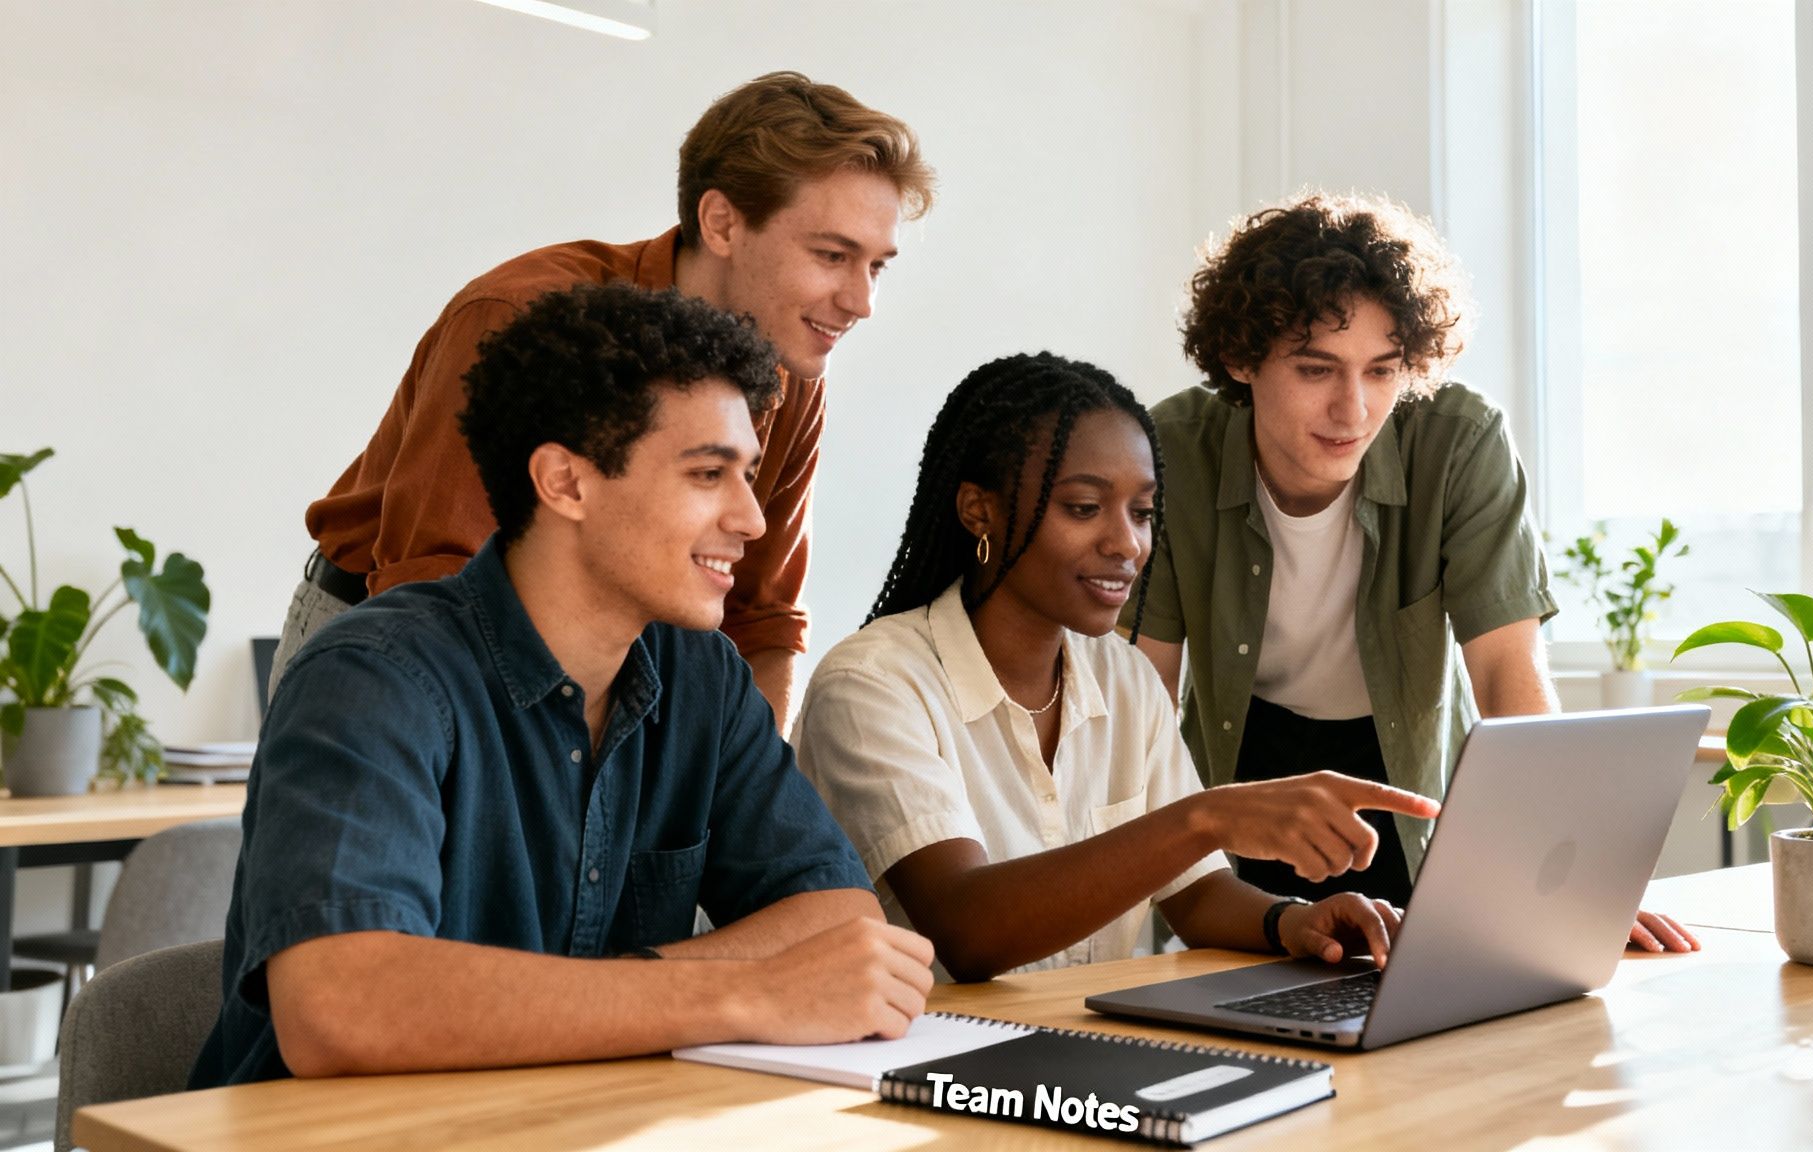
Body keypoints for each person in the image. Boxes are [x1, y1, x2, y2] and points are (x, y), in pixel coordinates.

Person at [191, 284, 933, 1088]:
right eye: (709, 473)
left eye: (748, 474)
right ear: (566, 483)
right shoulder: (371, 678)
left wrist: (596, 1001)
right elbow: (341, 1006)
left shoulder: (701, 676)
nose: (752, 519)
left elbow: (839, 917)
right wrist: (746, 989)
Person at [1123, 191, 1697, 953]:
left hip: (1407, 775)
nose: (1353, 409)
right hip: (1243, 776)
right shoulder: (1170, 449)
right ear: (1241, 357)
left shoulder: (1458, 440)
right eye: (1315, 368)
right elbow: (1144, 692)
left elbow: (1506, 673)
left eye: (1382, 370)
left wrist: (1577, 881)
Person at [273, 71, 936, 729]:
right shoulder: (523, 317)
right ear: (723, 223)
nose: (862, 303)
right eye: (831, 255)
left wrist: (747, 796)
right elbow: (434, 590)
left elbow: (761, 622)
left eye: (877, 265)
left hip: (618, 668)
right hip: (399, 649)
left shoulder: (791, 374)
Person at [792, 352, 1443, 983]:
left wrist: (1293, 923)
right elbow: (967, 930)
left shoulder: (1122, 680)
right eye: (1083, 507)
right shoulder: (872, 686)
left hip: (1083, 1049)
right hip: (919, 1064)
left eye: (1143, 512)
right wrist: (1207, 817)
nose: (1126, 543)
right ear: (978, 510)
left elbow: (1194, 893)